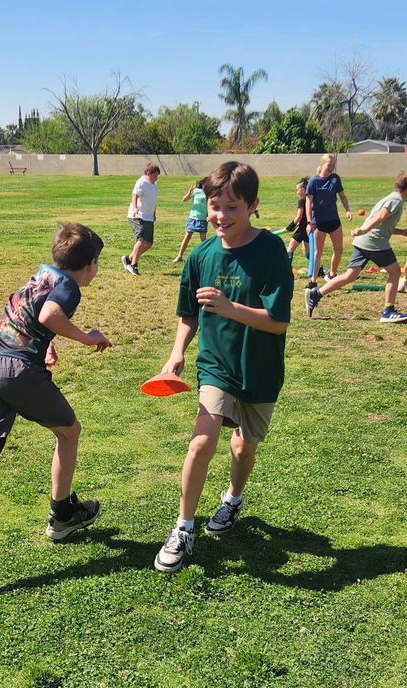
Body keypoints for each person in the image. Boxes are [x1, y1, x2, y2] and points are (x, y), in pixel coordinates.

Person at [0, 223, 110, 600]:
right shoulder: (68, 286)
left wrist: (45, 344)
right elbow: (49, 315)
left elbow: (28, 316)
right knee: (69, 431)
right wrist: (89, 337)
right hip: (14, 370)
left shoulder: (41, 274)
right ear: (89, 264)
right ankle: (63, 515)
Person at [154, 161, 293, 573]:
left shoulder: (270, 251)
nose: (220, 215)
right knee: (201, 441)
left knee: (243, 447)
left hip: (260, 368)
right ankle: (183, 528)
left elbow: (278, 320)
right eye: (215, 205)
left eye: (231, 206)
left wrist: (231, 308)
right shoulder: (200, 255)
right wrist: (177, 352)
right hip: (215, 364)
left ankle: (232, 498)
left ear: (253, 206)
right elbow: (189, 314)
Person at [305, 173, 407, 323]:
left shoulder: (390, 197)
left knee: (350, 275)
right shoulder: (396, 200)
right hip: (373, 241)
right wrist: (364, 230)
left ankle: (315, 294)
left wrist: (401, 232)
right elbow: (381, 217)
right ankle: (388, 311)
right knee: (395, 271)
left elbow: (382, 224)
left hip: (363, 241)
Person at [305, 154, 352, 286]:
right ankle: (313, 281)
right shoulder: (314, 181)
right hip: (319, 222)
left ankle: (332, 274)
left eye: (333, 165)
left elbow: (342, 196)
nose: (332, 168)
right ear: (321, 165)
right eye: (329, 165)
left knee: (339, 249)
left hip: (334, 220)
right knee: (317, 252)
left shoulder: (335, 179)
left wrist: (347, 210)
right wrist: (309, 222)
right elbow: (308, 202)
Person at [122, 163, 160, 276]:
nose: (156, 179)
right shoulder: (141, 182)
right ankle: (133, 265)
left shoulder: (154, 184)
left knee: (149, 243)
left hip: (148, 216)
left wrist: (154, 213)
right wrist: (134, 208)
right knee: (142, 239)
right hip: (138, 215)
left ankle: (129, 258)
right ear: (148, 173)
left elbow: (154, 200)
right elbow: (134, 195)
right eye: (154, 176)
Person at [172, 179, 208, 263]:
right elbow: (184, 200)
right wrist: (189, 193)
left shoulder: (210, 193)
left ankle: (206, 256)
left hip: (203, 219)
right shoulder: (196, 191)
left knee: (203, 240)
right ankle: (179, 256)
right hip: (193, 218)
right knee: (187, 236)